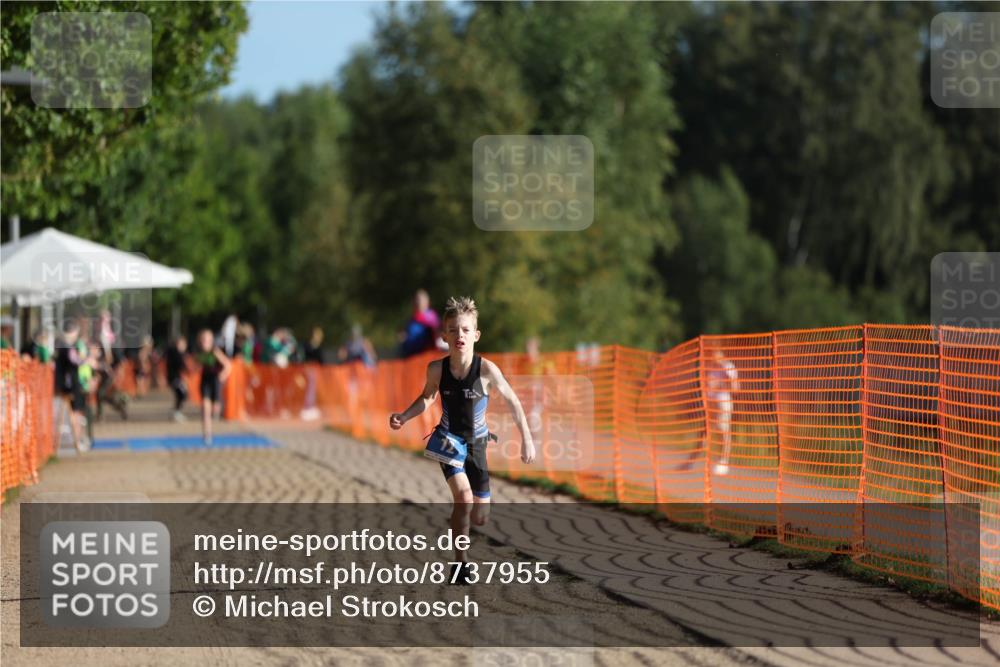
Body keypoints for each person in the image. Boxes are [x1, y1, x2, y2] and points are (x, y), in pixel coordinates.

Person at [389, 296, 535, 584]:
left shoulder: (487, 370)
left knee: (480, 516)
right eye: (453, 330)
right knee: (463, 498)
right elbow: (428, 398)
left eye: (466, 330)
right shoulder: (436, 369)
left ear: (476, 335)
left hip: (477, 443)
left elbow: (514, 402)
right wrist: (405, 416)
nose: (460, 336)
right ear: (444, 336)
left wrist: (527, 439)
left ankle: (463, 528)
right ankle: (461, 563)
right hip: (448, 439)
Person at [53, 321, 87, 453]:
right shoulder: (68, 347)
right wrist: (86, 360)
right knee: (75, 413)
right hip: (71, 384)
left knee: (66, 413)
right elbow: (76, 361)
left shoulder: (60, 346)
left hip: (64, 384)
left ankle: (74, 442)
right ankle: (77, 441)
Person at [706, 348, 739, 476]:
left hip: (723, 404)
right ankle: (694, 460)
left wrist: (725, 381)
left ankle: (724, 461)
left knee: (724, 432)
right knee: (711, 433)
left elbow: (736, 388)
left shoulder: (728, 367)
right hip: (711, 405)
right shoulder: (712, 368)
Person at [195, 329, 231, 446]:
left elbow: (228, 365)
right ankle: (207, 434)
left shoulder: (215, 351)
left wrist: (222, 376)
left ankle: (217, 413)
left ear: (211, 341)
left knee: (215, 410)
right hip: (205, 381)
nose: (205, 342)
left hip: (215, 381)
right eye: (203, 340)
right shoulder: (199, 352)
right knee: (205, 409)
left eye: (208, 340)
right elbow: (196, 367)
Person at [399, 289, 443, 357]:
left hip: (427, 356)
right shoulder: (411, 320)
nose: (417, 302)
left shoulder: (432, 318)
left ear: (427, 302)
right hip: (411, 356)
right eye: (415, 299)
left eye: (419, 299)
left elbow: (438, 336)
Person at [166, 336, 189, 422]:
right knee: (182, 394)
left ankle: (175, 411)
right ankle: (176, 412)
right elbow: (182, 366)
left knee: (181, 395)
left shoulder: (175, 353)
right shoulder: (176, 354)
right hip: (175, 378)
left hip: (175, 378)